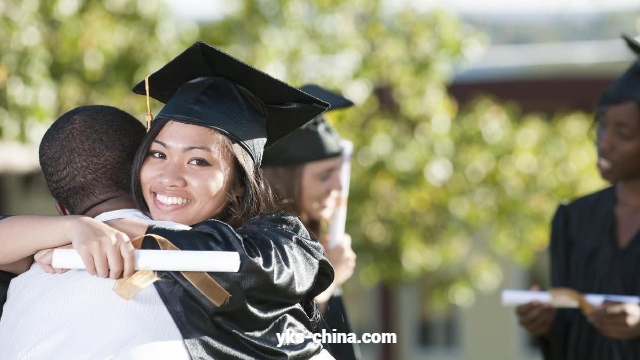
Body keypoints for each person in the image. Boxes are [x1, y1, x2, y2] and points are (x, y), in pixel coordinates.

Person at [0, 42, 335, 359]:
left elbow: (265, 269)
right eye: (158, 154)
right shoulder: (58, 253)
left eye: (199, 161)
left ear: (238, 183)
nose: (170, 176)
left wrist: (127, 228)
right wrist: (74, 228)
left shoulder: (275, 242)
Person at [0, 105, 194, 359]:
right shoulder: (211, 251)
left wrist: (73, 227)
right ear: (145, 173)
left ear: (60, 208)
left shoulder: (37, 262)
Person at [516, 34, 640, 359]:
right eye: (601, 127)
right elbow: (567, 336)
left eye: (623, 134)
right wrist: (544, 324)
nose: (605, 143)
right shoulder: (574, 219)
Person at [262, 84, 360, 360]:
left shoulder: (309, 240)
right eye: (324, 175)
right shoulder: (266, 248)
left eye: (339, 173)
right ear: (284, 180)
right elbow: (275, 338)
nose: (339, 187)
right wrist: (328, 281)